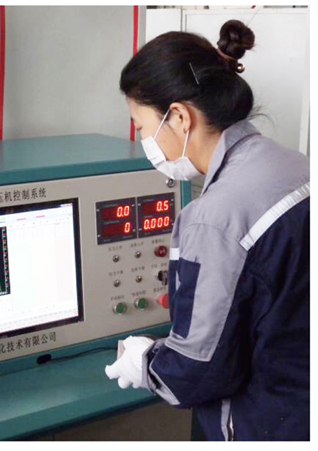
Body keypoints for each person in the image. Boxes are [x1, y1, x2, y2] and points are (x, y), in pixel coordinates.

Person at [104, 20, 309, 441]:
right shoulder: (297, 166)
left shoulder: (215, 219)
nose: (144, 141)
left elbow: (195, 373)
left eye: (141, 127)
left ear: (179, 117)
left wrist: (144, 362)